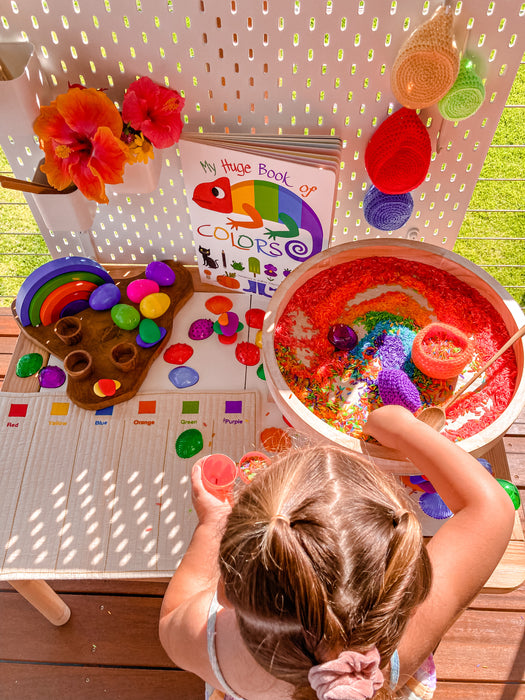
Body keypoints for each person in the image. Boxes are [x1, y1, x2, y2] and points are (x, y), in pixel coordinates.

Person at [159, 404, 515, 700]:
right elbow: (490, 509)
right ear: (404, 585)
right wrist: (406, 429)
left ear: (226, 592)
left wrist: (211, 524)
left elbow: (170, 617)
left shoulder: (210, 643)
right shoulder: (406, 640)